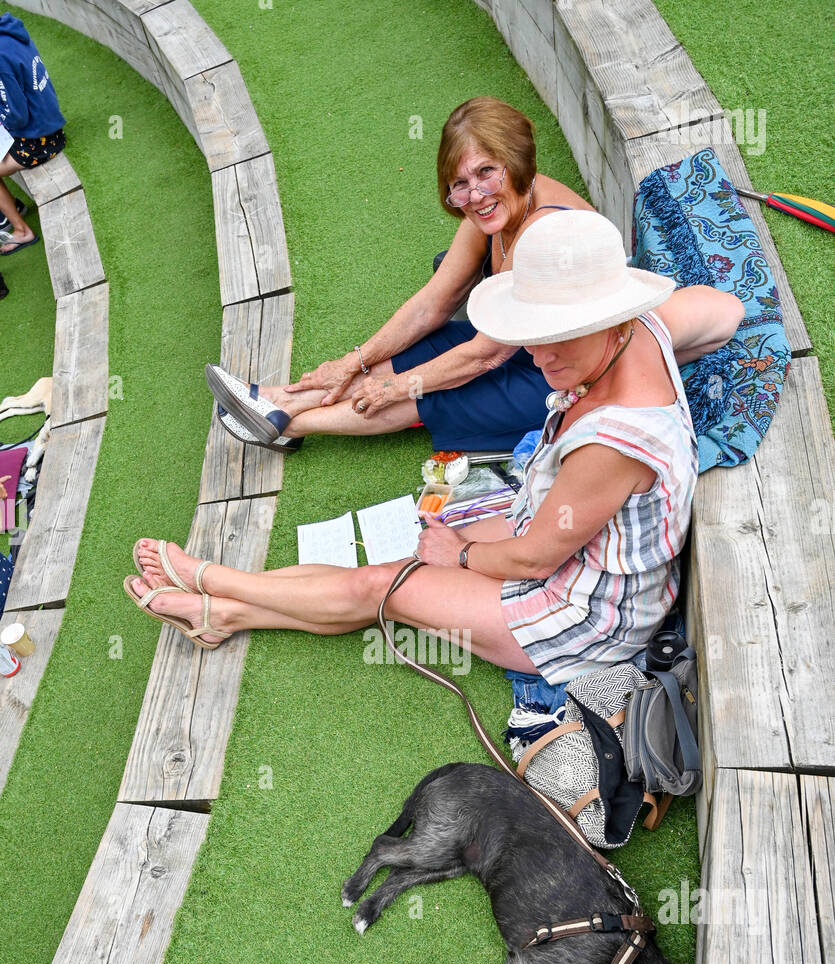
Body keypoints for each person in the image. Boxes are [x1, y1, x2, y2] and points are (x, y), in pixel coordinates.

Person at [126, 211, 743, 688]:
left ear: (611, 319)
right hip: (571, 542)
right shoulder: (647, 326)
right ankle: (226, 616)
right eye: (533, 337)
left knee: (383, 583)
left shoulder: (612, 442)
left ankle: (213, 579)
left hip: (582, 617)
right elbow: (727, 309)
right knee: (406, 559)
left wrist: (464, 553)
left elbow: (532, 560)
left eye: (557, 340)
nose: (538, 356)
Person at [205, 96, 592, 453]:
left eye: (487, 172)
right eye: (459, 184)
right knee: (426, 345)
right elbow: (431, 306)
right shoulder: (496, 207)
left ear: (517, 161)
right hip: (524, 348)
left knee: (434, 388)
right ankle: (282, 402)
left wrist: (395, 386)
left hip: (567, 379)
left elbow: (485, 357)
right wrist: (352, 362)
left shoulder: (545, 232)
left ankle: (293, 422)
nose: (475, 195)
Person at [0, 12, 66, 255]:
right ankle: (12, 206)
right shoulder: (9, 30)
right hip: (49, 124)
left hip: (39, 140)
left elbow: (17, 115)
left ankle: (21, 230)